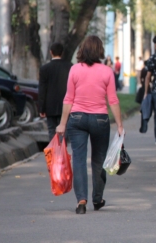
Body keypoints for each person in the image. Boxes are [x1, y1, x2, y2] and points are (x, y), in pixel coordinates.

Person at [55, 35, 124, 214]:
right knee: (98, 160)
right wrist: (120, 124)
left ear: (83, 50)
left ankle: (81, 201)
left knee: (79, 159)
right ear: (100, 50)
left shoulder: (75, 69)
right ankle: (97, 198)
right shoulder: (107, 71)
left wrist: (63, 123)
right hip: (100, 119)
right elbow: (113, 100)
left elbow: (68, 98)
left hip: (77, 118)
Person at [38, 43, 73, 142]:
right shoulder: (70, 67)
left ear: (51, 52)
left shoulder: (44, 69)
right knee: (64, 131)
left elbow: (42, 89)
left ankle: (54, 155)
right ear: (62, 53)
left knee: (51, 131)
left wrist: (41, 107)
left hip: (50, 106)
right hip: (66, 105)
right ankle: (62, 152)